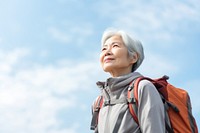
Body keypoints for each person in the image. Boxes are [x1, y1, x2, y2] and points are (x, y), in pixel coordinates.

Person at [91, 28, 166, 133]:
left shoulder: (143, 88)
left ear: (133, 57)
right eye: (104, 49)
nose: (107, 52)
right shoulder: (99, 102)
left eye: (115, 46)